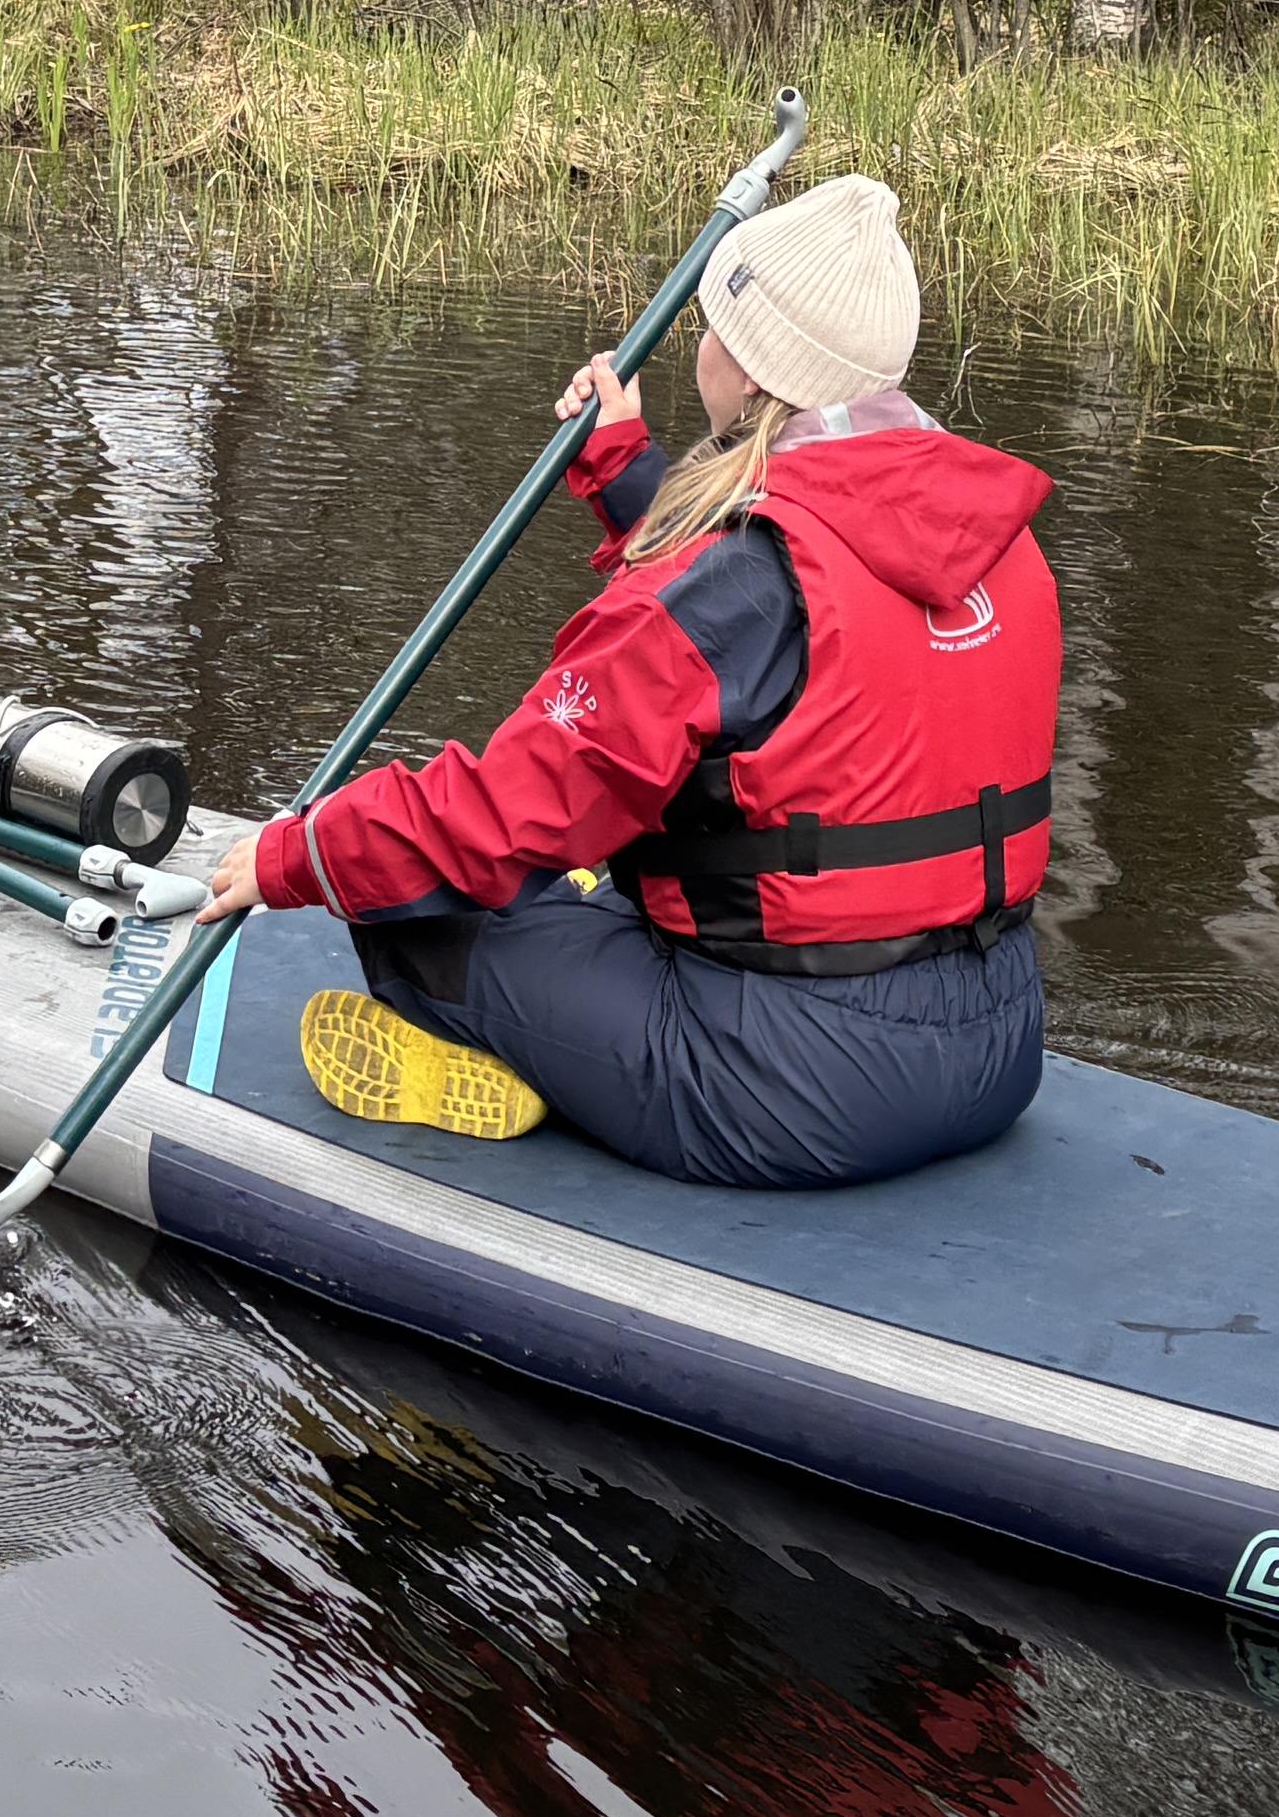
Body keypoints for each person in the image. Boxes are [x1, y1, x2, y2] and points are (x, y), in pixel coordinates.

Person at [194, 172, 1060, 1188]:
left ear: (743, 362)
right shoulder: (991, 540)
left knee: (420, 909)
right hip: (999, 1047)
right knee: (615, 872)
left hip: (791, 1097)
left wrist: (305, 854)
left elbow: (506, 809)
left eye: (711, 321)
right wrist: (621, 467)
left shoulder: (723, 590)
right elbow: (793, 600)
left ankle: (502, 1062)